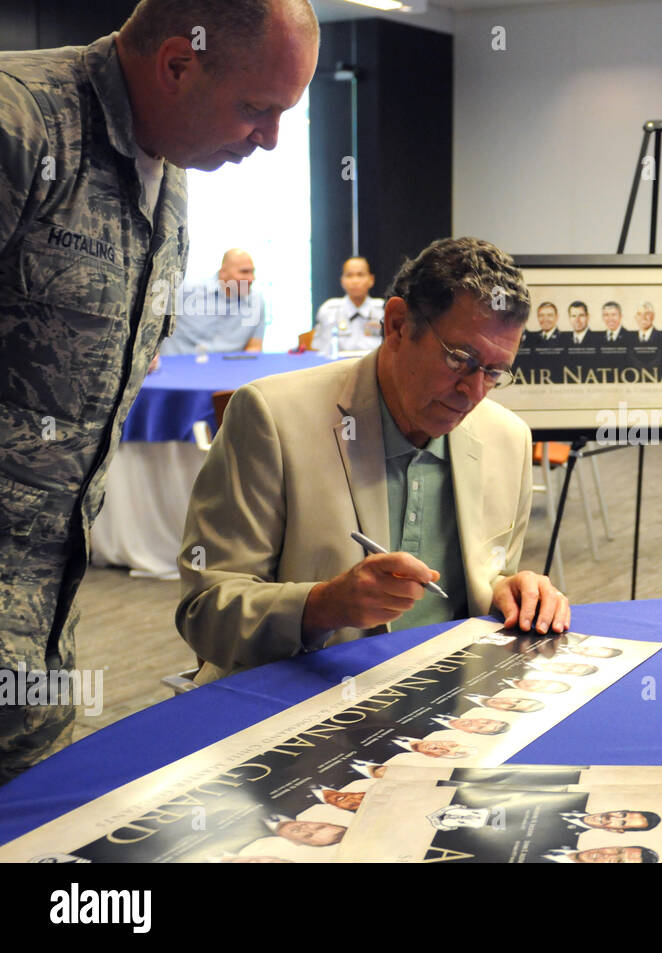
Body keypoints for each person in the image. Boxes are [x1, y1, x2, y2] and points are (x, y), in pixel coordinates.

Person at [0, 0, 318, 783]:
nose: (271, 139)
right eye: (257, 108)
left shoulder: (170, 174)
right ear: (178, 63)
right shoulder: (20, 126)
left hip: (42, 624)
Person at [175, 237, 570, 682]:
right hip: (297, 703)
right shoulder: (273, 417)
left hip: (450, 708)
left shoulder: (507, 438)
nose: (474, 392)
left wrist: (508, 590)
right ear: (398, 324)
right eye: (461, 359)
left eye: (495, 372)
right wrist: (322, 606)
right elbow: (205, 612)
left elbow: (487, 576)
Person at [160, 248, 267, 354]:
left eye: (252, 272)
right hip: (178, 367)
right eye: (244, 272)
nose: (251, 278)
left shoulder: (256, 302)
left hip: (231, 369)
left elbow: (254, 347)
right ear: (223, 272)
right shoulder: (184, 292)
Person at [312, 256, 384, 354]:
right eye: (349, 275)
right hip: (338, 367)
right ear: (342, 281)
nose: (355, 281)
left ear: (371, 280)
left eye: (360, 275)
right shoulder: (329, 310)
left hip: (374, 367)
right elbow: (322, 351)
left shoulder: (383, 310)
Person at [561, 810, 661, 833]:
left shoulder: (568, 837)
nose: (611, 818)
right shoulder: (576, 805)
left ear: (616, 831)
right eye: (623, 815)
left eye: (622, 823)